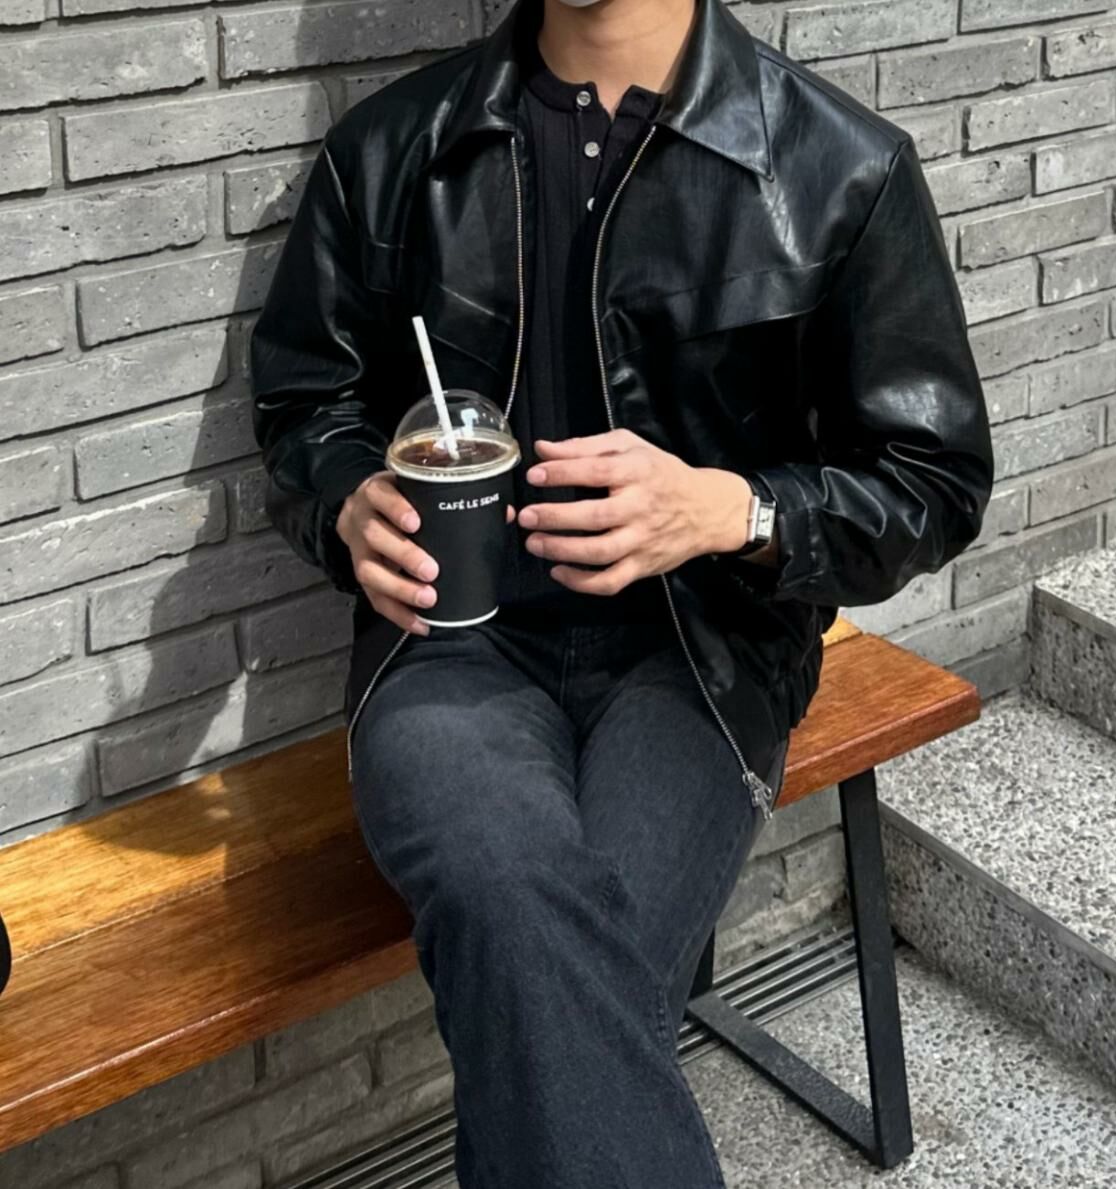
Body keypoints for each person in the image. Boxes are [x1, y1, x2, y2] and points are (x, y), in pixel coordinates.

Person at [248, 0, 995, 1182]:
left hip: (701, 652)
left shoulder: (837, 168)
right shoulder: (392, 152)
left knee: (558, 984)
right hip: (449, 645)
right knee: (518, 908)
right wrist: (345, 499)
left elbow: (933, 481)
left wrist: (730, 510)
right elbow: (305, 403)